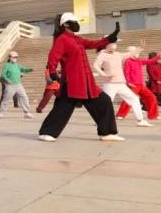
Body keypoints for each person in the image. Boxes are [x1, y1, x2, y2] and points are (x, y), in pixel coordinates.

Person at [38, 13, 123, 142]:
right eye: (74, 22)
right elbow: (53, 56)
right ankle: (46, 132)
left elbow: (93, 43)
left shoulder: (77, 39)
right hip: (72, 81)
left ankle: (107, 133)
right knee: (62, 108)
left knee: (104, 102)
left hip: (86, 82)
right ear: (66, 24)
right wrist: (53, 72)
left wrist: (110, 37)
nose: (77, 24)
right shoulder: (62, 39)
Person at [93, 43, 152, 127]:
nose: (114, 45)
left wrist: (140, 48)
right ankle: (99, 121)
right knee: (106, 103)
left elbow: (130, 54)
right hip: (110, 84)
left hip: (120, 83)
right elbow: (95, 65)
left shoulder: (118, 54)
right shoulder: (102, 55)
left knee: (134, 99)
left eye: (114, 44)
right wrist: (104, 74)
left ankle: (140, 120)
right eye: (112, 43)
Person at [117, 46, 161, 121]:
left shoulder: (139, 61)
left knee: (152, 97)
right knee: (129, 99)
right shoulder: (128, 61)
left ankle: (153, 115)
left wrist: (158, 56)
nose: (137, 53)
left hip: (141, 85)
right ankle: (120, 115)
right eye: (134, 51)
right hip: (133, 85)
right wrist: (128, 82)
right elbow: (126, 72)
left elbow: (150, 61)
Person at [0, 51, 33, 118]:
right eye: (14, 57)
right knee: (6, 99)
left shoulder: (17, 65)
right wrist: (7, 80)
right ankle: (1, 112)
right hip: (10, 85)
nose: (15, 58)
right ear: (10, 57)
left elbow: (24, 69)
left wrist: (30, 69)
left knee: (24, 97)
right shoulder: (6, 65)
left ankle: (26, 112)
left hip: (18, 85)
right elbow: (3, 75)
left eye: (16, 57)